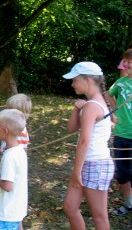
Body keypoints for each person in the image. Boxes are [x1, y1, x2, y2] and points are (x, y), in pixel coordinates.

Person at [62, 61, 114, 230]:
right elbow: (71, 129)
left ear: (87, 80)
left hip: (95, 164)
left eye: (75, 80)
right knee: (70, 207)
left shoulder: (92, 106)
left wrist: (77, 172)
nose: (72, 84)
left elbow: (84, 141)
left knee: (99, 217)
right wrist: (76, 110)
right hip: (88, 163)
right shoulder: (91, 104)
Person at [108, 48, 132, 215]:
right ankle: (129, 203)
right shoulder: (120, 83)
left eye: (131, 62)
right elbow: (109, 94)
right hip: (121, 133)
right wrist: (115, 109)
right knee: (123, 173)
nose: (128, 64)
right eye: (126, 62)